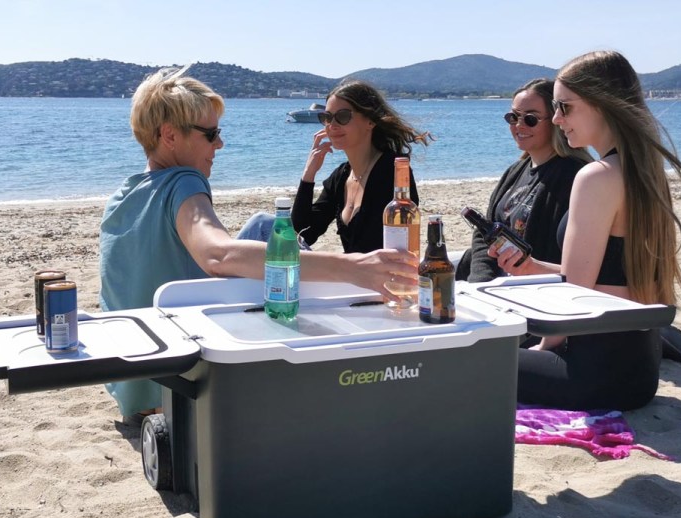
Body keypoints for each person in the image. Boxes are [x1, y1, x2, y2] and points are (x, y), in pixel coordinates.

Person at [99, 67, 418, 423]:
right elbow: (217, 254)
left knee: (267, 226)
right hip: (179, 389)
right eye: (211, 134)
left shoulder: (120, 198)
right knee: (269, 232)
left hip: (131, 386)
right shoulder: (184, 182)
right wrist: (354, 268)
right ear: (170, 136)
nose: (219, 143)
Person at [492, 50, 681, 411]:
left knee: (466, 358)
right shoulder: (642, 169)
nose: (556, 119)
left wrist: (545, 346)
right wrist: (534, 266)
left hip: (591, 372)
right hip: (639, 370)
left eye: (565, 107)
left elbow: (574, 294)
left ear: (602, 105)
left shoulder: (595, 177)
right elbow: (605, 279)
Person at [455, 78, 591, 282]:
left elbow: (567, 255)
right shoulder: (515, 171)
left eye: (530, 119)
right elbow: (485, 233)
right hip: (497, 287)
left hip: (534, 289)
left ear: (555, 121)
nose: (519, 125)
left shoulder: (573, 175)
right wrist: (482, 282)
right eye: (513, 117)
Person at [291, 80, 432, 253]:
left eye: (342, 116)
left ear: (370, 121)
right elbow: (304, 233)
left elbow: (390, 250)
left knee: (261, 226)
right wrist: (308, 174)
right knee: (262, 223)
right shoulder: (341, 177)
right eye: (326, 117)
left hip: (373, 277)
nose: (332, 126)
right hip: (348, 274)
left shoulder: (393, 171)